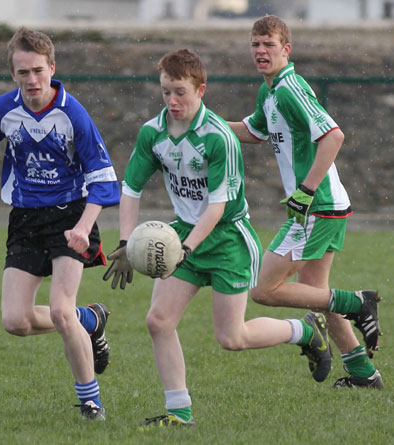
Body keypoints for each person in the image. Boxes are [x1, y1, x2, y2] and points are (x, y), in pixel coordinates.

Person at [103, 48, 333, 429]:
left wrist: (185, 248)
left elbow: (216, 207)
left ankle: (306, 331)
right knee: (159, 321)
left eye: (180, 92)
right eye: (165, 93)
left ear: (201, 89)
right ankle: (179, 413)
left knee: (232, 338)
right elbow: (131, 189)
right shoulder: (152, 133)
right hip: (184, 236)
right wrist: (127, 242)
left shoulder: (219, 137)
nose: (172, 101)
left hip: (228, 240)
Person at [0, 27, 120, 420]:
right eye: (23, 72)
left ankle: (89, 401)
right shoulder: (2, 110)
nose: (32, 80)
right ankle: (90, 319)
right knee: (15, 322)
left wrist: (84, 227)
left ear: (52, 68)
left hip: (70, 217)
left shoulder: (73, 113)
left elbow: (104, 179)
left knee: (61, 311)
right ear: (13, 74)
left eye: (38, 71)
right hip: (25, 219)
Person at [228, 15, 382, 389]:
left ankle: (358, 302)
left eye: (268, 44)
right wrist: (203, 121)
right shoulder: (270, 91)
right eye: (255, 44)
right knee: (315, 295)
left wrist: (306, 190)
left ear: (286, 50)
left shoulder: (290, 88)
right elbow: (252, 131)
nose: (260, 51)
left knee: (263, 290)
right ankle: (363, 373)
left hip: (316, 206)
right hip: (322, 206)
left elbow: (334, 136)